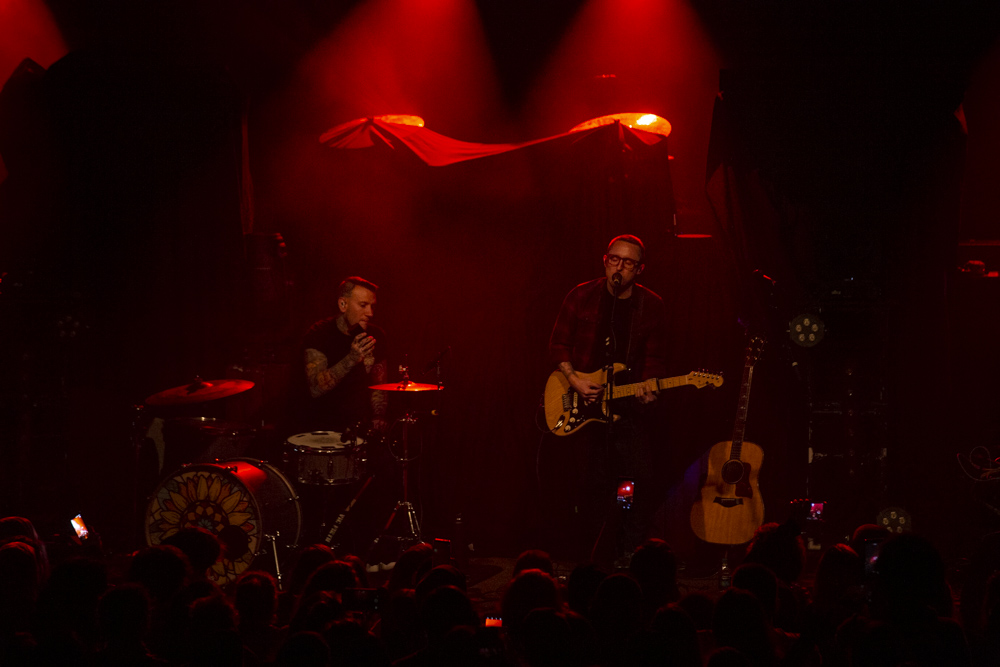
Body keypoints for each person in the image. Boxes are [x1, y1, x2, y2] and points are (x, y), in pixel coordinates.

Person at [548, 234, 668, 566]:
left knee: (635, 478)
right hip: (583, 405)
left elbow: (654, 357)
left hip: (627, 409)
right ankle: (589, 551)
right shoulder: (582, 295)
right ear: (605, 261)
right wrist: (575, 379)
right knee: (589, 481)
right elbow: (558, 345)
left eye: (628, 262)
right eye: (614, 259)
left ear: (639, 269)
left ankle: (628, 549)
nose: (619, 267)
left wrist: (649, 386)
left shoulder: (651, 305)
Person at [302, 276, 388, 434]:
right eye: (363, 305)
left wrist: (378, 416)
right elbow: (315, 388)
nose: (370, 313)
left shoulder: (376, 335)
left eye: (372, 306)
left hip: (359, 426)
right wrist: (351, 359)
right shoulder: (320, 334)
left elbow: (379, 384)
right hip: (322, 428)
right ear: (343, 304)